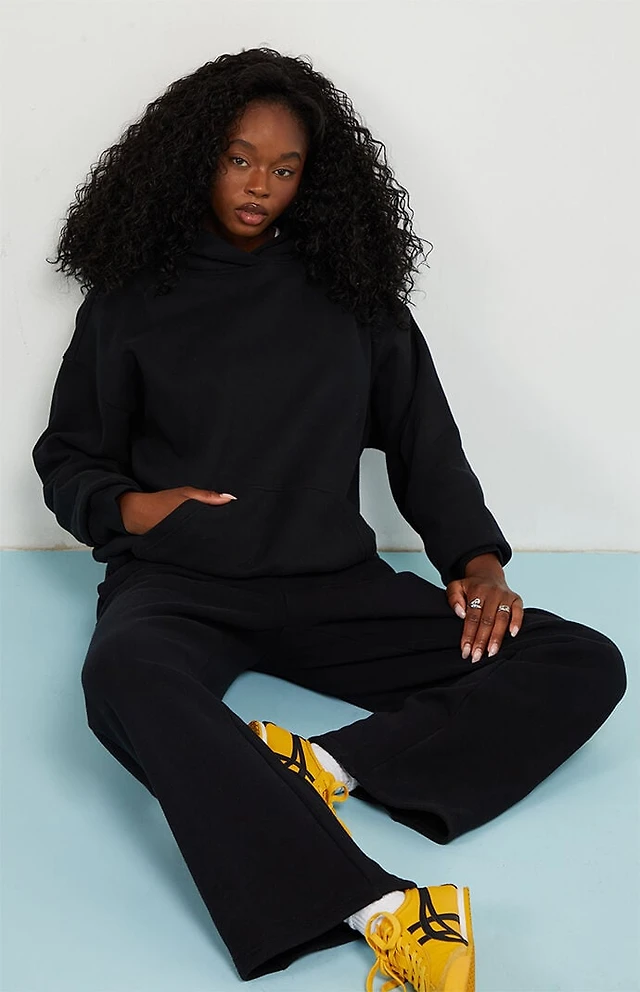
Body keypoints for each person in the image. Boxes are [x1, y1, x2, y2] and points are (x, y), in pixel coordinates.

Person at [31, 47, 627, 992]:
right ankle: (382, 909)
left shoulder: (354, 297)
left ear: (313, 178)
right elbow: (69, 456)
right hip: (180, 582)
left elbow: (426, 446)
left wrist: (476, 563)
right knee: (121, 676)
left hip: (330, 587)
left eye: (284, 168)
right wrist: (138, 506)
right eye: (239, 159)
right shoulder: (131, 299)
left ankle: (325, 767)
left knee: (580, 658)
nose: (258, 186)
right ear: (195, 156)